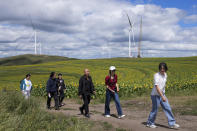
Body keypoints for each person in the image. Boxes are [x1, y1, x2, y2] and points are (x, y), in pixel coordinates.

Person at [146, 63, 180, 129]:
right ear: (159, 69)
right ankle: (150, 123)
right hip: (155, 95)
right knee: (155, 110)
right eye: (161, 68)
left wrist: (163, 94)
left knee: (168, 108)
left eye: (163, 68)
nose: (162, 70)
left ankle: (172, 124)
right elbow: (157, 86)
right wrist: (162, 96)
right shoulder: (156, 75)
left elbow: (163, 86)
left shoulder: (165, 75)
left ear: (165, 69)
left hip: (162, 94)